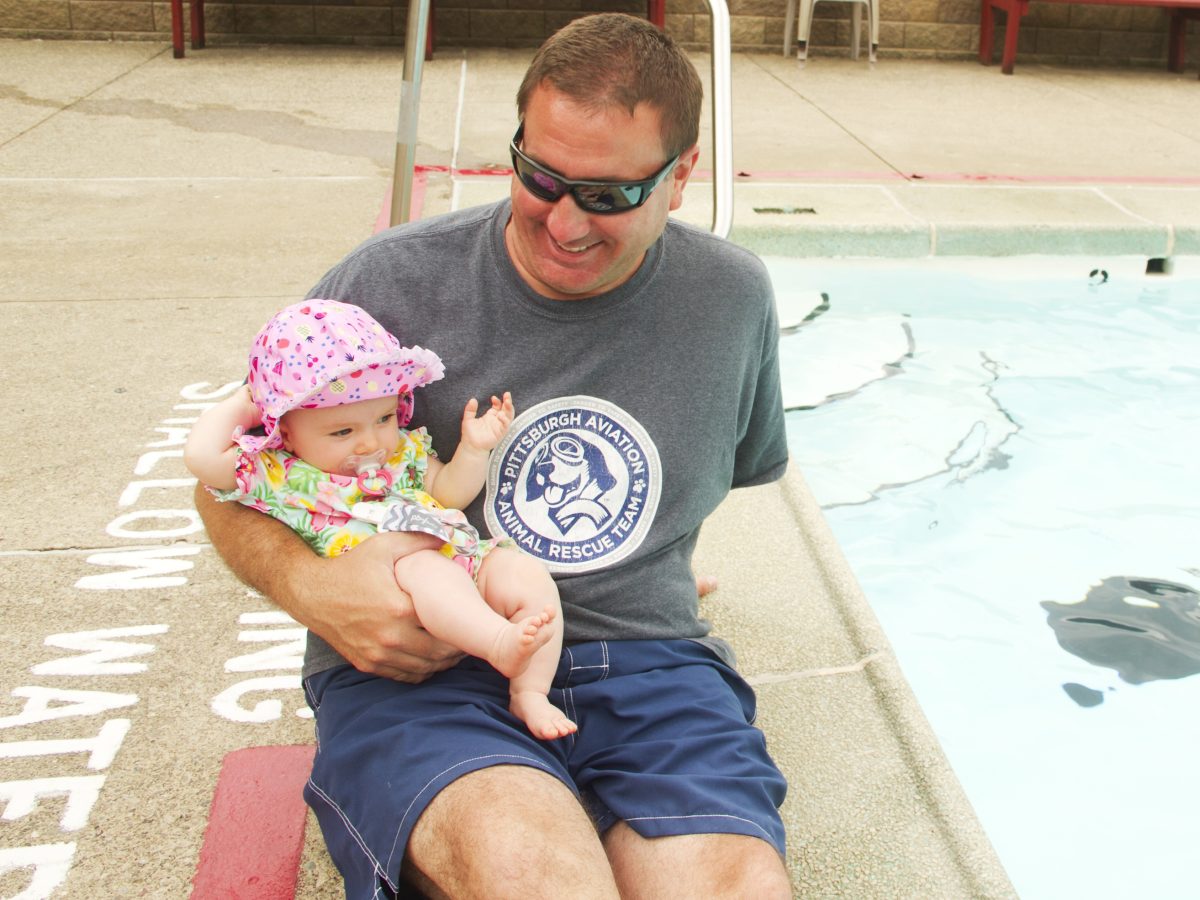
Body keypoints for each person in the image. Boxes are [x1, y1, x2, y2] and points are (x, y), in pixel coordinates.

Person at [194, 12, 792, 898]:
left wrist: (650, 574)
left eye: (608, 195)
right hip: (430, 673)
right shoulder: (387, 285)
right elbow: (228, 483)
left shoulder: (731, 298)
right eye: (539, 177)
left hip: (652, 669)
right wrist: (308, 586)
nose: (565, 222)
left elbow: (718, 476)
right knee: (529, 873)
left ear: (680, 178)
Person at [184, 298, 575, 740]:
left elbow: (446, 493)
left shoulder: (401, 452)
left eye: (384, 418)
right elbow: (202, 457)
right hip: (393, 586)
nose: (370, 443)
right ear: (287, 432)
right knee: (424, 567)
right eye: (342, 431)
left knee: (524, 573)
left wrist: (473, 450)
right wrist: (249, 403)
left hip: (459, 557)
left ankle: (530, 692)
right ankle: (499, 643)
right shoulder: (277, 473)